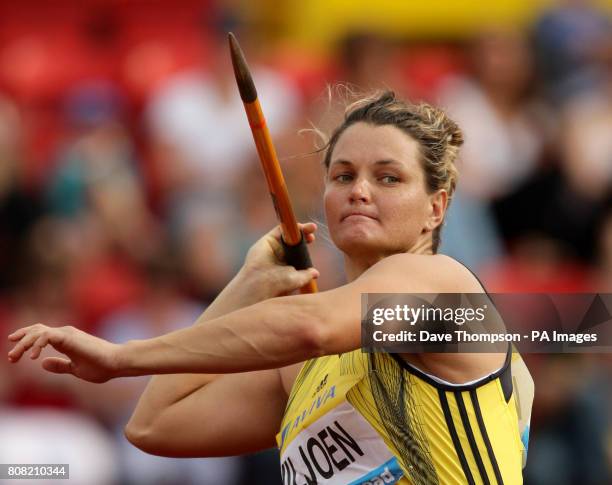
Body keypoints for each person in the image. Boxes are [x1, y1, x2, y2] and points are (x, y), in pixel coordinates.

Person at [7, 91, 533, 484]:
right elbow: (154, 424)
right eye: (343, 176)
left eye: (389, 178)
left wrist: (122, 357)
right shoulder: (300, 372)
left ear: (435, 208)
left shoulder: (440, 285)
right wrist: (245, 284)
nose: (360, 191)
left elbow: (312, 325)